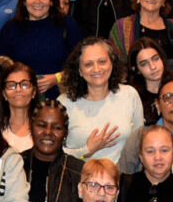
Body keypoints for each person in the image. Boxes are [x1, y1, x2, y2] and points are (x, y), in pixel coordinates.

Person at [17, 99, 85, 202]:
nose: (48, 132)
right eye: (41, 125)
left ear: (65, 133)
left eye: (56, 127)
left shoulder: (80, 172)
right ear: (31, 128)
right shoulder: (15, 165)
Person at [58, 36, 145, 165]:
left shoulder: (129, 95)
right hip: (79, 180)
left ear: (112, 63)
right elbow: (55, 154)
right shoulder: (64, 103)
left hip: (123, 179)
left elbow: (141, 143)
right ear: (80, 71)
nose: (97, 69)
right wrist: (87, 150)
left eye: (102, 61)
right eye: (88, 64)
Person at [0, 0, 83, 99]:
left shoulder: (67, 25)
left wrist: (57, 78)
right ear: (24, 1)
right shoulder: (11, 29)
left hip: (62, 100)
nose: (38, 1)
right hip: (21, 101)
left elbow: (82, 62)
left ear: (52, 1)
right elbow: (0, 68)